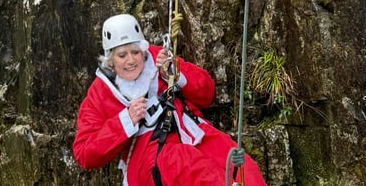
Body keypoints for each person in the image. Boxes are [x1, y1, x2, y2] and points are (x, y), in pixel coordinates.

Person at [73, 13, 267, 185]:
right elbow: (85, 153)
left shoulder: (159, 59)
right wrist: (125, 121)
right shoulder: (100, 93)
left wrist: (176, 73)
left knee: (242, 168)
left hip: (192, 131)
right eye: (122, 55)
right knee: (187, 163)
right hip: (150, 154)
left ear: (143, 51)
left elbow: (207, 93)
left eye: (135, 52)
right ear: (111, 61)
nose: (131, 61)